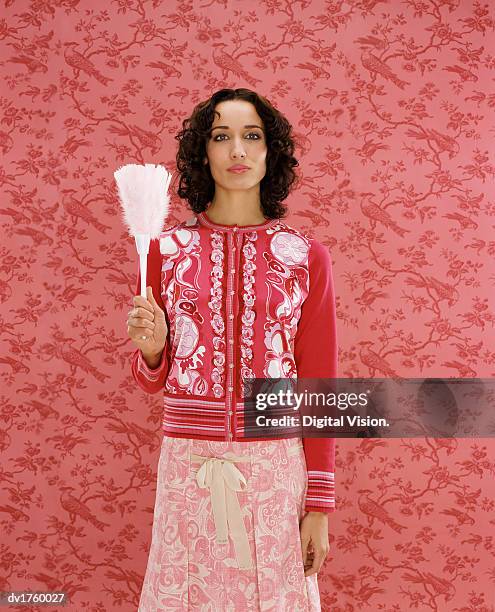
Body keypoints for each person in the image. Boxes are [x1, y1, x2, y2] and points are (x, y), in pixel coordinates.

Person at [127, 88, 338, 611]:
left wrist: (319, 504)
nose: (238, 151)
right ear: (203, 152)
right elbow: (154, 376)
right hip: (189, 464)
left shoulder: (303, 256)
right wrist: (152, 352)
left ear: (272, 152)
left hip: (275, 467)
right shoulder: (165, 251)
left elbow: (319, 383)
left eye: (252, 137)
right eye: (222, 137)